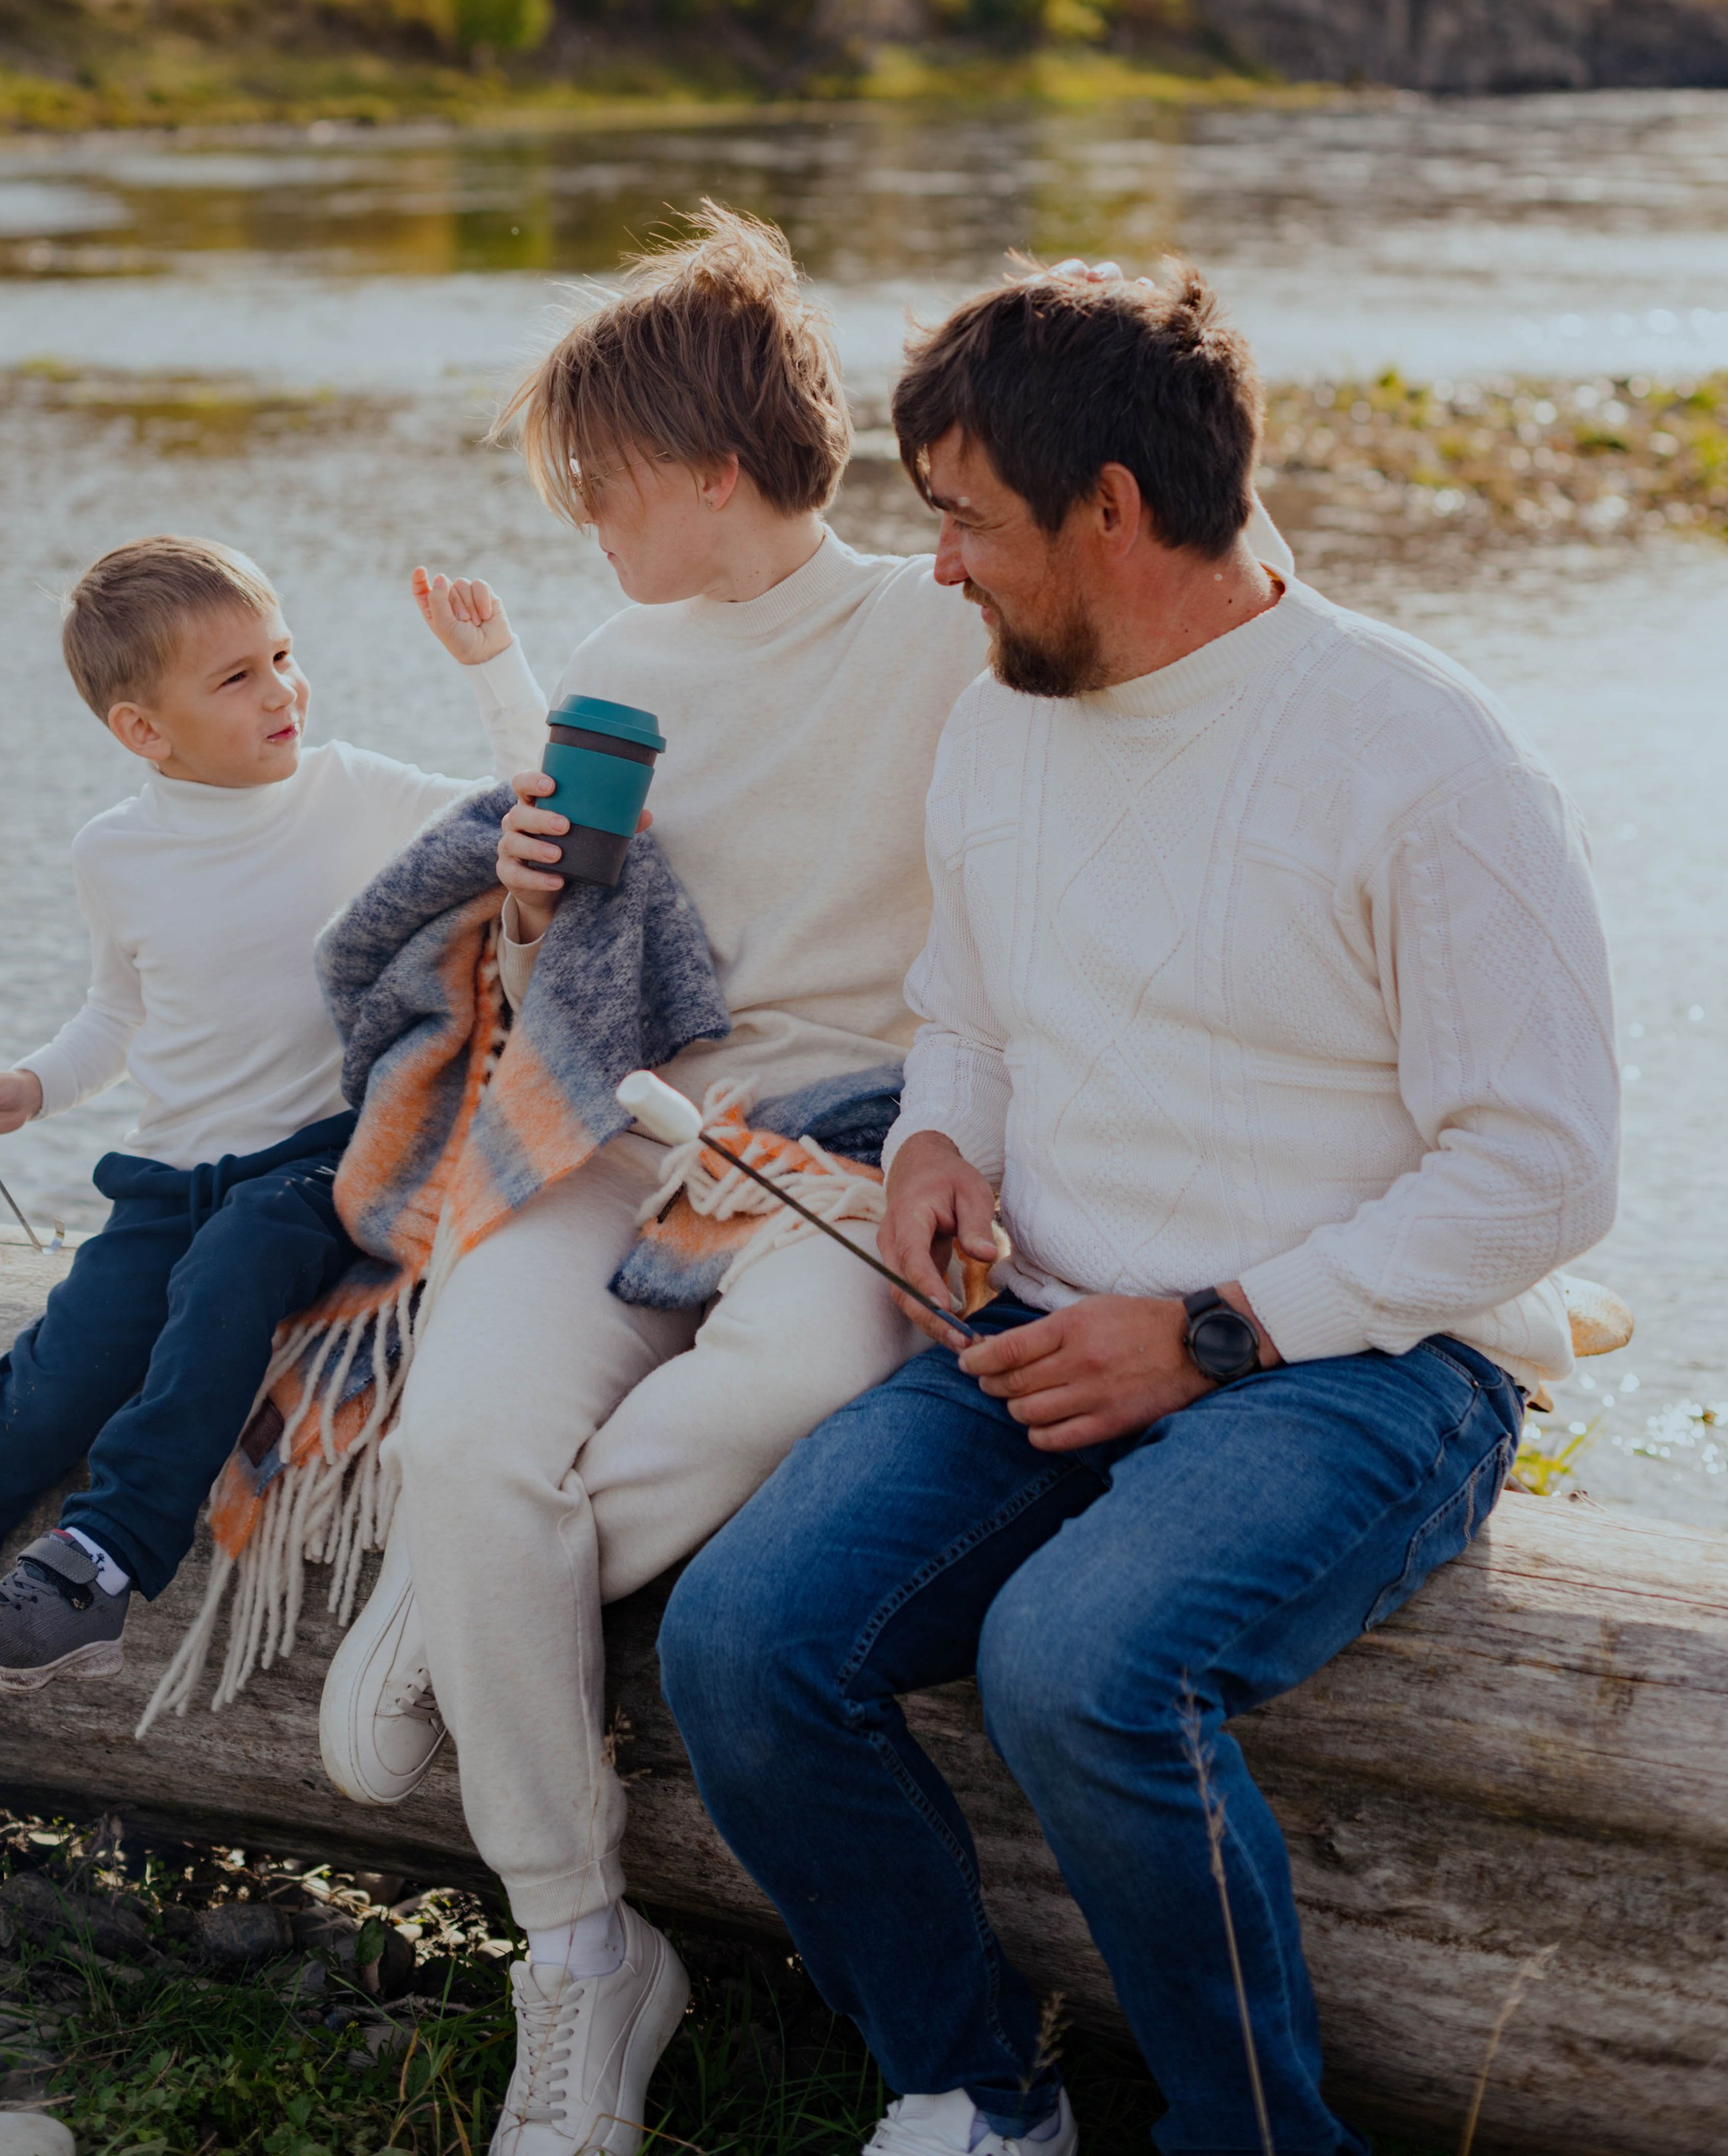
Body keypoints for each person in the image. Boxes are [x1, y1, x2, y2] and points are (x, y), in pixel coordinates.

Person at [318, 210, 1298, 2156]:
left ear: (705, 469)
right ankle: (583, 1948)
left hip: (850, 1141)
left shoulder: (947, 613)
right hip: (630, 1124)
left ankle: (472, 1589)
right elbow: (597, 936)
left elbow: (1234, 603)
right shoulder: (612, 653)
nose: (577, 518)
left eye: (595, 482)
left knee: (785, 1386)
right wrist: (533, 881)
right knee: (463, 1430)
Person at [658, 260, 1621, 2156]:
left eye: (963, 520)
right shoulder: (1003, 717)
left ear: (1110, 505)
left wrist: (1207, 1332)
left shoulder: (1423, 759)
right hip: (1047, 1326)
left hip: (1359, 1368)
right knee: (741, 1640)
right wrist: (938, 1151)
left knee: (1078, 1661)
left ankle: (1249, 2135)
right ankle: (974, 2095)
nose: (934, 566)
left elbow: (1543, 1172)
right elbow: (969, 1009)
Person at [0, 535, 547, 1873]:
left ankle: (103, 1565)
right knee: (31, 1401)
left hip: (327, 1159)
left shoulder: (360, 794)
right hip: (163, 1184)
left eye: (282, 656)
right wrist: (31, 1090)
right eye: (237, 678)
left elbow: (537, 807)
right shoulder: (116, 854)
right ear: (143, 730)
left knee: (241, 1259)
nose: (282, 690)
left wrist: (492, 665)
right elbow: (122, 1008)